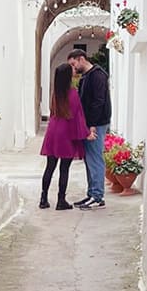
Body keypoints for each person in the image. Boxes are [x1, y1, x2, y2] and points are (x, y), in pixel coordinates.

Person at [40, 63, 92, 210]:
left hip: (53, 131)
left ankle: (43, 198)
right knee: (64, 168)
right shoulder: (73, 93)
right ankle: (60, 200)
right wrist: (86, 133)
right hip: (66, 132)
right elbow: (78, 116)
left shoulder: (55, 93)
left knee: (50, 167)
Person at [67, 48, 112, 209]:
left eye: (74, 64)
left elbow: (98, 102)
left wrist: (92, 125)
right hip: (89, 123)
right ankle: (91, 193)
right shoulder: (86, 76)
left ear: (81, 59)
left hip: (97, 124)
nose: (73, 68)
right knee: (90, 160)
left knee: (95, 159)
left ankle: (98, 197)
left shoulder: (97, 75)